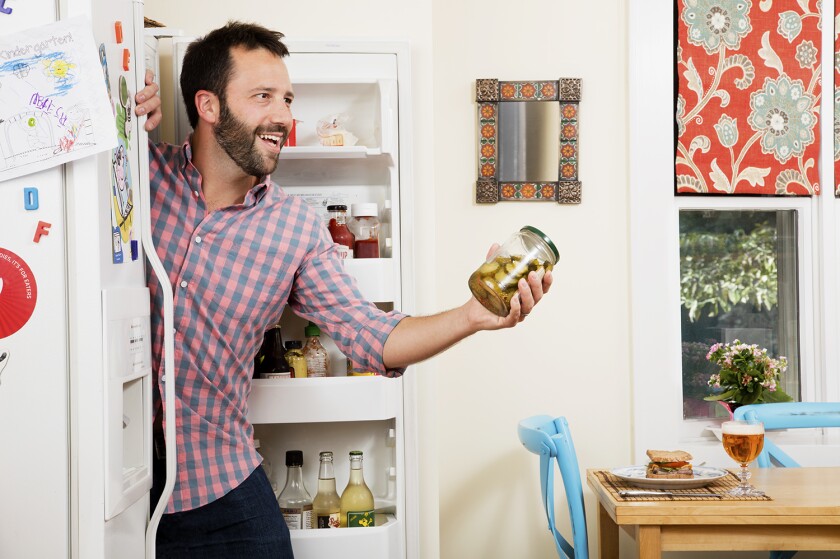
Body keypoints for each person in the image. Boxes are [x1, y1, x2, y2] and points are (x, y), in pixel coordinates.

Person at [133, 20, 551, 558]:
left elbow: (370, 336)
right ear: (208, 106)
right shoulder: (142, 177)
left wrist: (473, 315)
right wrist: (121, 110)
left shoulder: (295, 228)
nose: (283, 116)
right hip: (115, 489)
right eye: (263, 97)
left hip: (223, 499)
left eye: (287, 99)